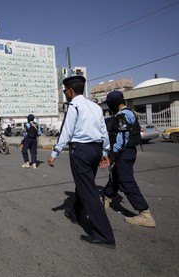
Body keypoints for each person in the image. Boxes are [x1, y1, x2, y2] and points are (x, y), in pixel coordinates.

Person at [47, 76, 115, 249]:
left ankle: (104, 235)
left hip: (81, 151)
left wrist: (55, 153)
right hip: (96, 149)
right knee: (85, 184)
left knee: (88, 191)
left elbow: (66, 132)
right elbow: (103, 130)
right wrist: (105, 151)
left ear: (70, 91)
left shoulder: (74, 106)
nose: (65, 94)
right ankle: (76, 213)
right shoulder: (95, 106)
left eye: (64, 91)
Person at [104, 91, 156, 227]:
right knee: (116, 175)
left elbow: (122, 137)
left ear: (114, 103)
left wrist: (113, 153)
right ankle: (107, 196)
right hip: (128, 151)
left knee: (126, 181)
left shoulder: (123, 114)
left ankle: (144, 214)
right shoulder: (128, 112)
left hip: (124, 151)